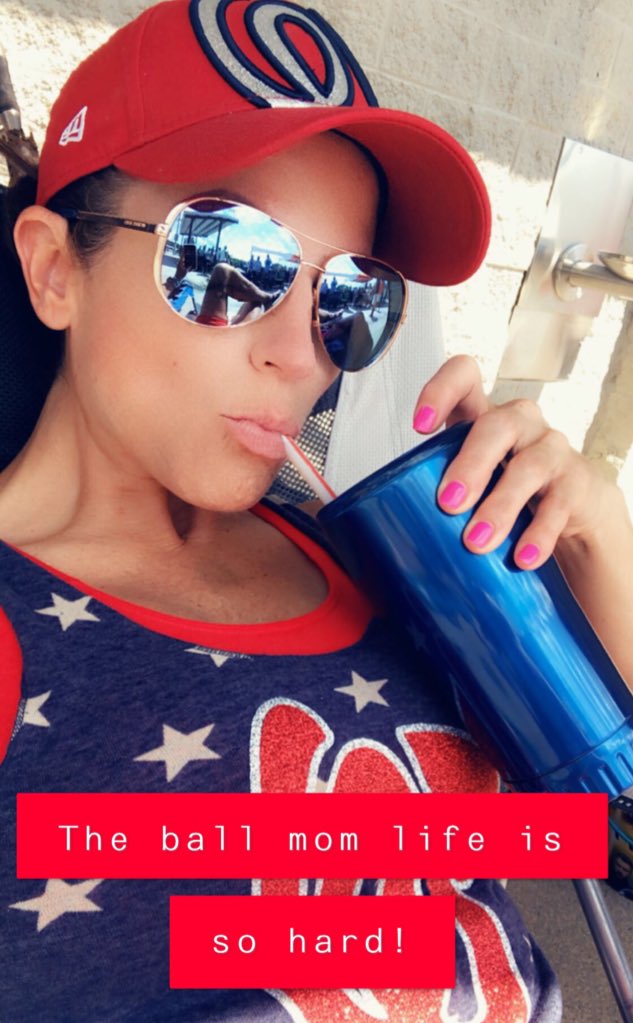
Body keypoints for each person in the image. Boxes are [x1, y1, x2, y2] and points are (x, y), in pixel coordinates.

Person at [1, 0, 632, 1020]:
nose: (302, 356)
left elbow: (616, 839)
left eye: (349, 299)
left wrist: (595, 542)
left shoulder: (391, 562)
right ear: (52, 268)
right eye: (229, 259)